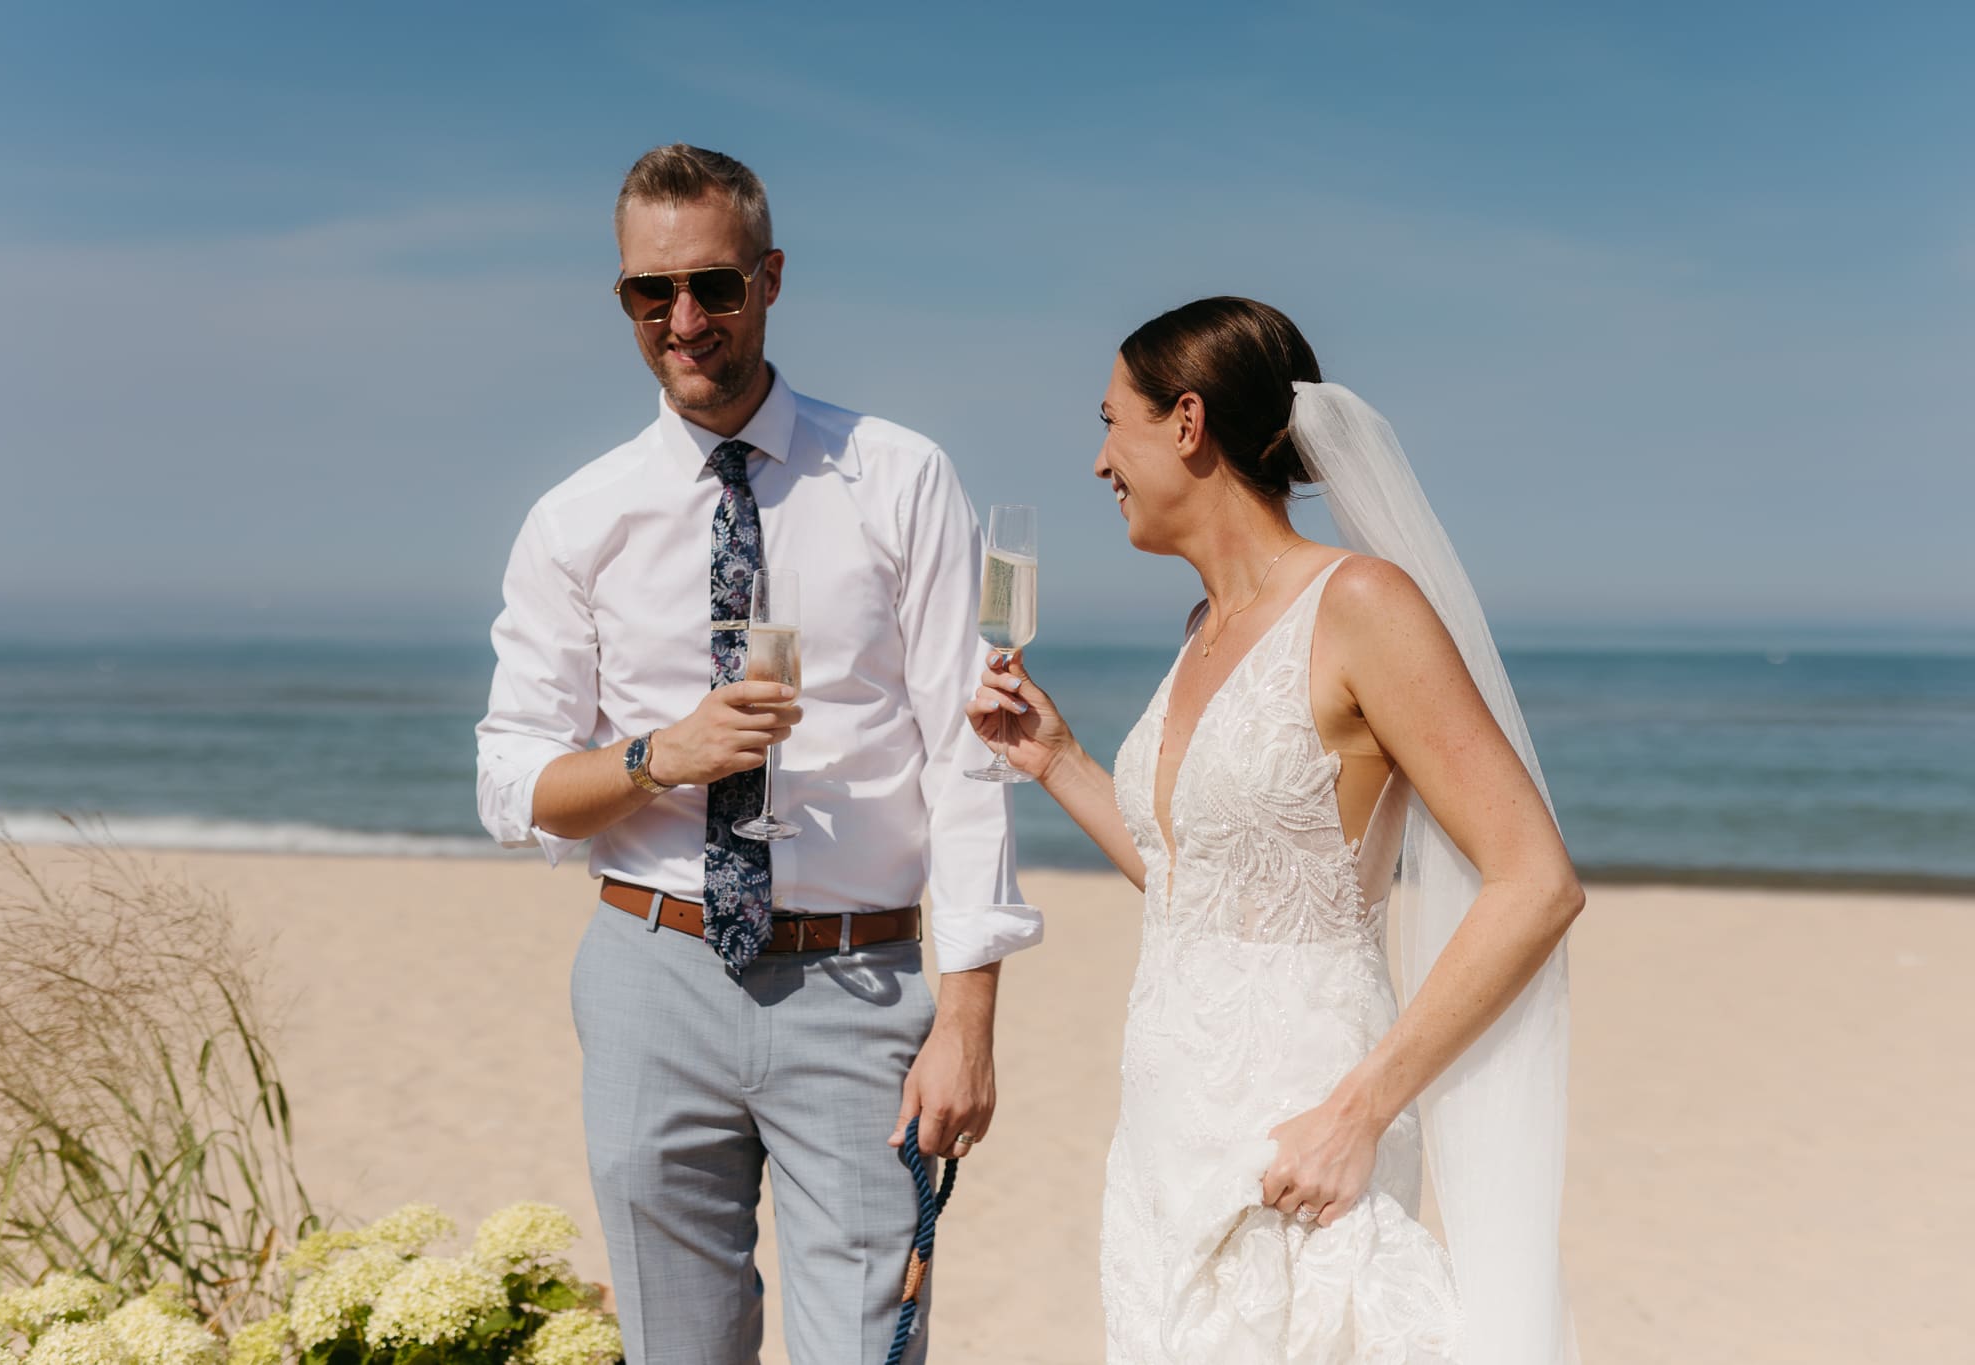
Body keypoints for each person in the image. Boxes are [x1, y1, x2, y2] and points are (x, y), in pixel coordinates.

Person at [475, 143, 1041, 1365]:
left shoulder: (898, 476)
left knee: (862, 1347)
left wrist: (969, 1013)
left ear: (770, 280)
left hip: (860, 980)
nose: (683, 321)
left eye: (713, 287)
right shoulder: (576, 519)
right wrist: (658, 757)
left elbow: (967, 753)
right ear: (623, 298)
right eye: (649, 293)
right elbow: (512, 786)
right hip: (649, 972)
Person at [968, 297, 1584, 1364]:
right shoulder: (1204, 627)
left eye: (1111, 421)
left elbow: (1534, 882)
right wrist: (1057, 762)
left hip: (1300, 1123)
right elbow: (1193, 890)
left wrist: (1357, 1112)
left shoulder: (1361, 605)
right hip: (1164, 1128)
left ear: (1186, 423)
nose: (1098, 462)